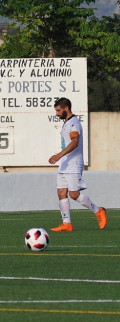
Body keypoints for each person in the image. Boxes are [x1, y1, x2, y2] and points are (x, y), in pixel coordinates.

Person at [48, 97, 107, 231]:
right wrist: (61, 158)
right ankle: (67, 223)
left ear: (66, 108)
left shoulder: (74, 123)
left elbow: (74, 142)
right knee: (61, 192)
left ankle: (98, 211)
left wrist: (58, 155)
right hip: (64, 163)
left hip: (73, 163)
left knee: (74, 195)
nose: (57, 113)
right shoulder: (67, 122)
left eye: (58, 110)